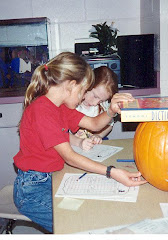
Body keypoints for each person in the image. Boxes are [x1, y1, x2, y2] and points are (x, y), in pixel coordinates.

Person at [13, 52, 147, 233]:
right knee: (78, 226)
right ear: (71, 85)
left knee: (88, 212)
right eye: (83, 91)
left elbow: (93, 124)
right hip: (32, 190)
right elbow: (70, 157)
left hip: (51, 178)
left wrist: (111, 111)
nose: (83, 97)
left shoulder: (58, 107)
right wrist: (111, 172)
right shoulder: (42, 110)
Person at [70, 66, 118, 151]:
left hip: (92, 148)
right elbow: (62, 134)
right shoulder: (72, 104)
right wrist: (79, 142)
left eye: (101, 101)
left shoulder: (103, 105)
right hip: (73, 146)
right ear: (87, 85)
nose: (95, 103)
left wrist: (99, 135)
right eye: (95, 96)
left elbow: (109, 125)